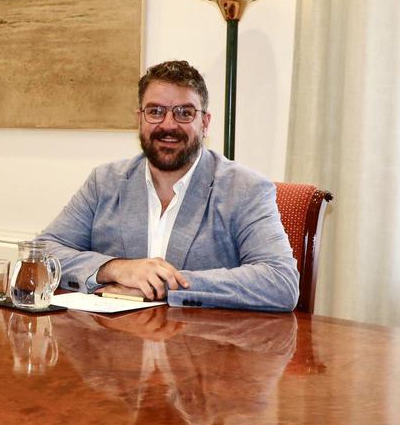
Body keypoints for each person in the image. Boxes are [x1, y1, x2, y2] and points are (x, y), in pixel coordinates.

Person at [36, 60, 299, 311]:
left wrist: (166, 284)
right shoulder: (104, 182)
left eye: (184, 113)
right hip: (115, 348)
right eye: (155, 111)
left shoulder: (244, 189)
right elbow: (41, 252)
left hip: (203, 350)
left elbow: (281, 281)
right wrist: (116, 269)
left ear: (205, 123)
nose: (169, 124)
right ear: (139, 119)